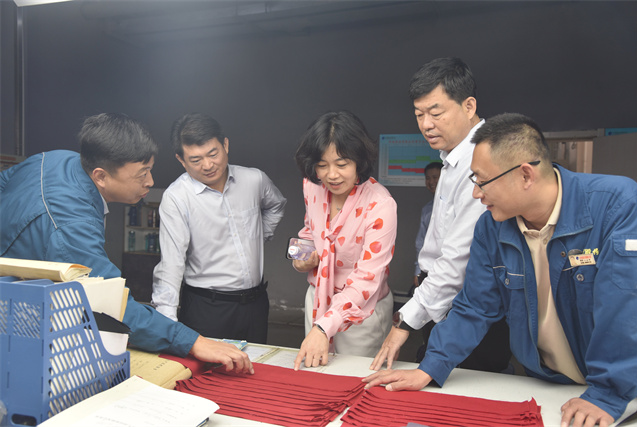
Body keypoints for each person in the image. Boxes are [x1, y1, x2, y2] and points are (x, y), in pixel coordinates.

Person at [364, 113, 637, 427]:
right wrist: (430, 367)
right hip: (551, 384)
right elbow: (474, 306)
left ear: (525, 175)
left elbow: (624, 306)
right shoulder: (491, 228)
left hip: (622, 389)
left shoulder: (616, 205)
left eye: (482, 181)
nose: (476, 193)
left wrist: (607, 393)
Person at [0, 113, 252, 373]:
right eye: (142, 174)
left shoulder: (54, 159)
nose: (150, 181)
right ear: (100, 176)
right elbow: (110, 303)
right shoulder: (71, 225)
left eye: (149, 169)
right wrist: (193, 342)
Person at [371, 57, 511, 373]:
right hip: (438, 297)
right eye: (419, 115)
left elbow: (458, 260)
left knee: (464, 392)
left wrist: (405, 320)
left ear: (469, 106)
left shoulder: (482, 160)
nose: (426, 124)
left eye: (436, 113)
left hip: (468, 307)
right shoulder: (452, 157)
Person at [151, 113, 286, 344]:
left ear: (225, 145)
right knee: (206, 367)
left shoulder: (254, 180)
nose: (207, 165)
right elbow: (171, 264)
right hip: (206, 308)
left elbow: (276, 204)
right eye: (195, 160)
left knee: (255, 364)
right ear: (181, 160)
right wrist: (167, 325)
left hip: (255, 305)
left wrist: (257, 236)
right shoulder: (177, 197)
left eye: (213, 154)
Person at [291, 110, 397, 370]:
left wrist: (322, 328)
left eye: (341, 164)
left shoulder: (380, 205)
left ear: (359, 160)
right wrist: (300, 257)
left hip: (362, 312)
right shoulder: (312, 186)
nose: (331, 175)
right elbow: (310, 231)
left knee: (354, 379)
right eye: (322, 165)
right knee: (316, 373)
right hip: (318, 299)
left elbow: (367, 279)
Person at [412, 162, 443, 288]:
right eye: (428, 178)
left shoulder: (453, 206)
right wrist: (418, 271)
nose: (431, 182)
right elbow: (420, 242)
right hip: (429, 270)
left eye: (435, 177)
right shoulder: (427, 210)